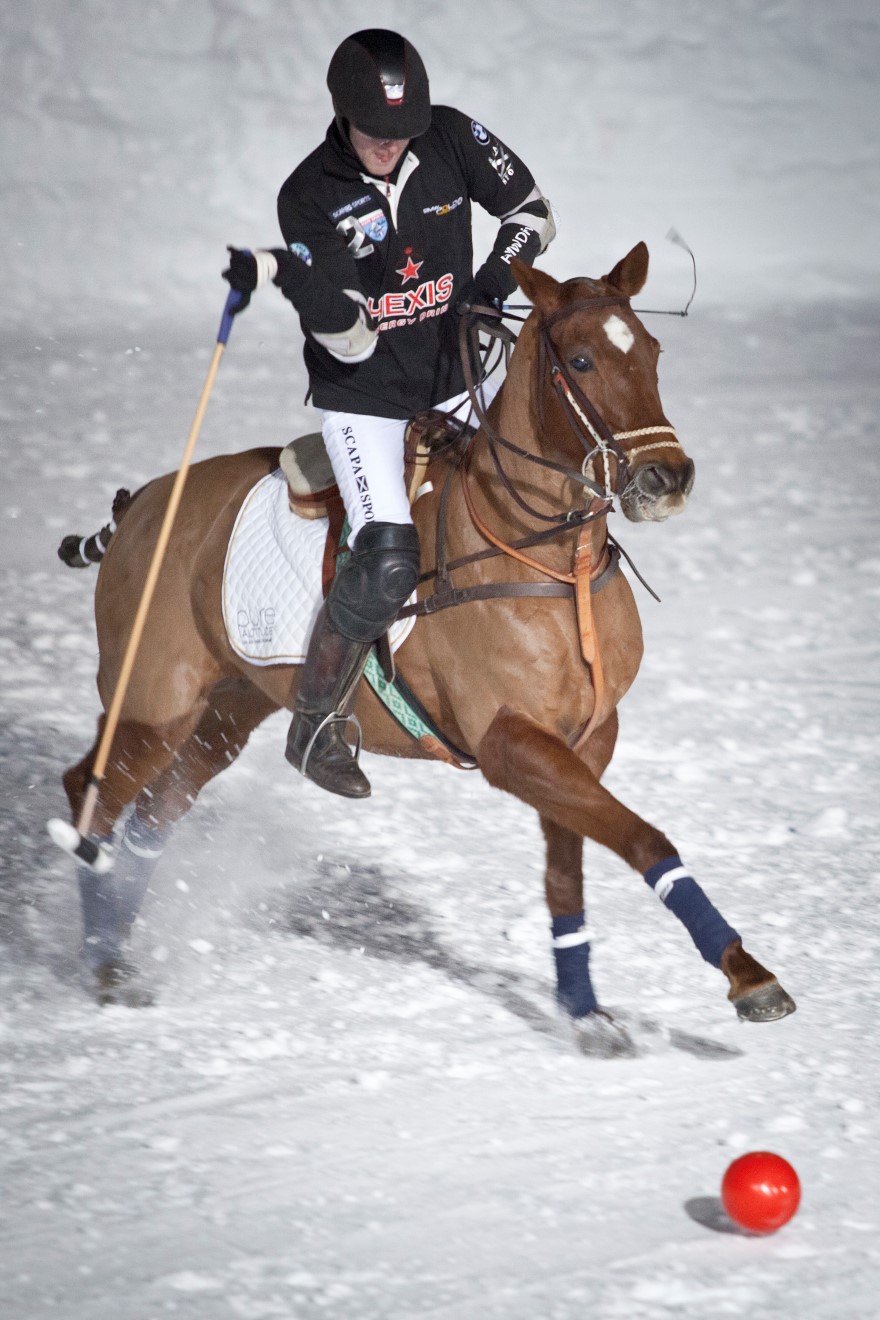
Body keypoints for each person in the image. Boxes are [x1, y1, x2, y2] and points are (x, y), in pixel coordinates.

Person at [224, 28, 555, 800]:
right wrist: (293, 278)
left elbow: (532, 211)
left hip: (457, 378)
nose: (392, 145)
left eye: (404, 131)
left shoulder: (450, 135)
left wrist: (492, 283)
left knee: (531, 498)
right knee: (390, 559)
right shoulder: (309, 195)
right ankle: (315, 722)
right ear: (343, 115)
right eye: (376, 132)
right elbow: (349, 338)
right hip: (365, 401)